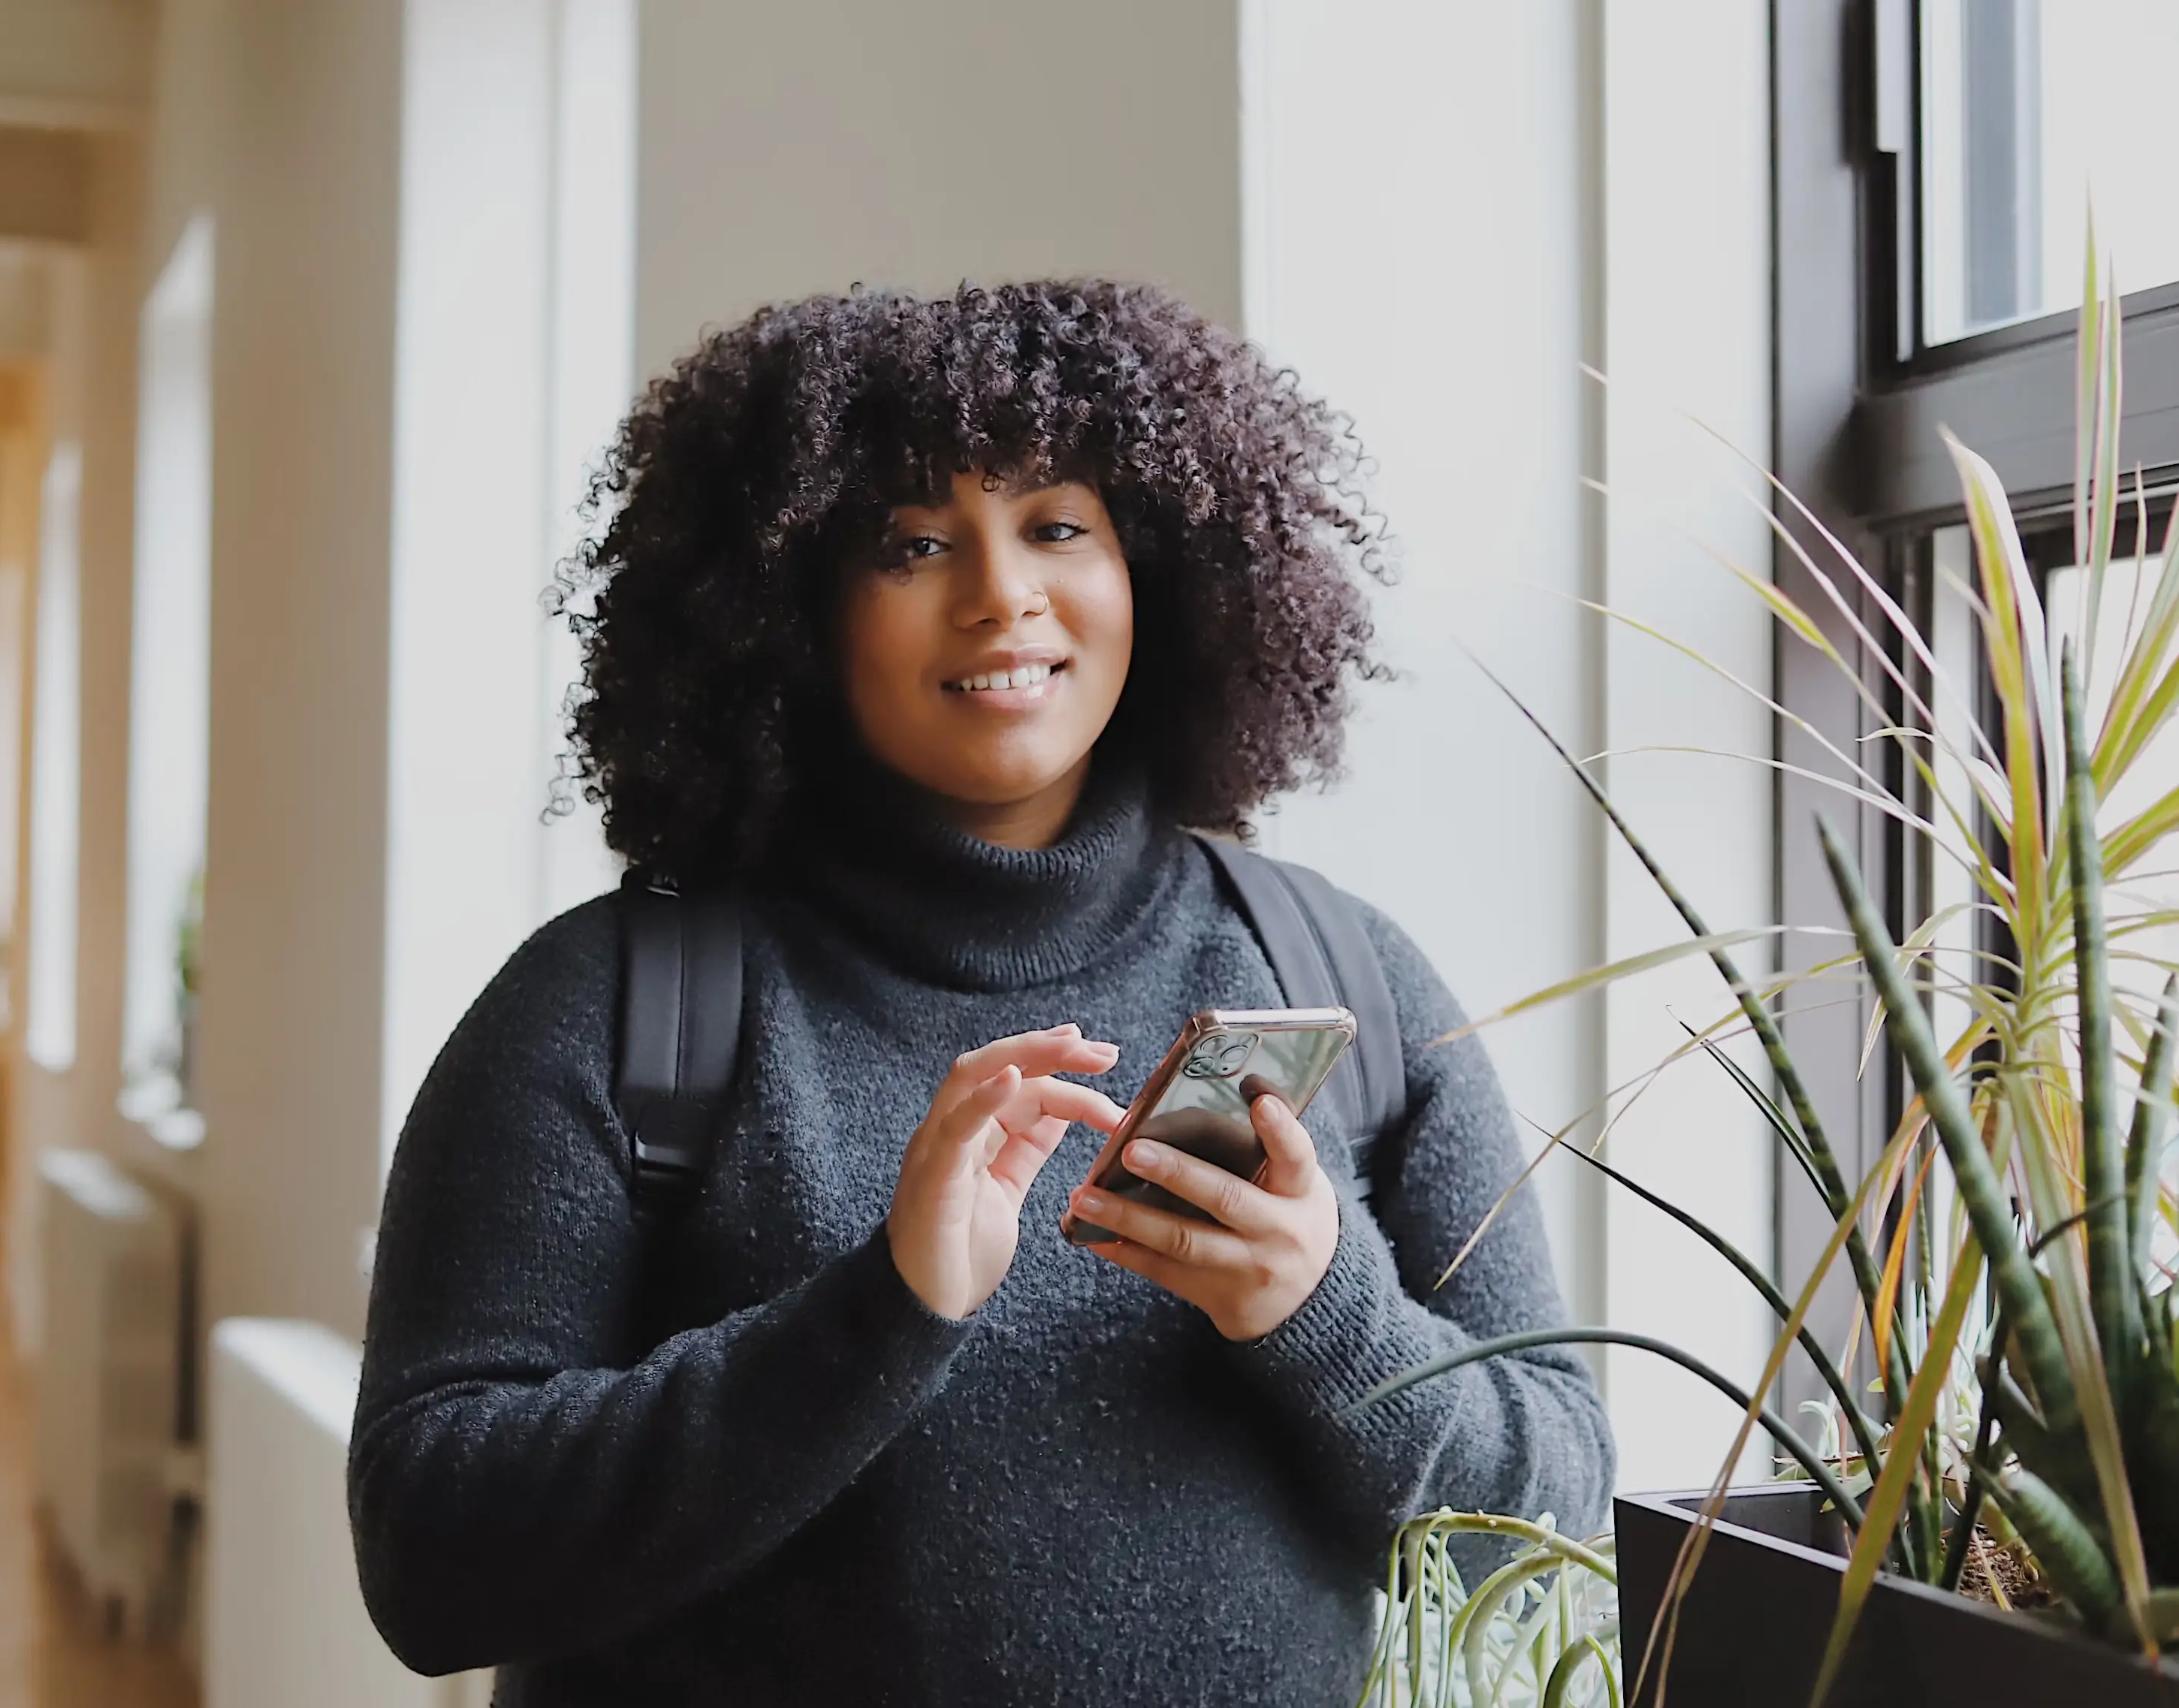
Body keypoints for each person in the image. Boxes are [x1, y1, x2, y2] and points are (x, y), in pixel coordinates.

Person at [349, 280, 1613, 1706]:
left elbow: (1563, 1498)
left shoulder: (1344, 974)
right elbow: (426, 1553)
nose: (1003, 591)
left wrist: (1326, 1314)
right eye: (913, 543)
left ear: (1162, 568)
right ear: (788, 610)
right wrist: (876, 1315)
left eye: (1057, 526)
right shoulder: (618, 1006)